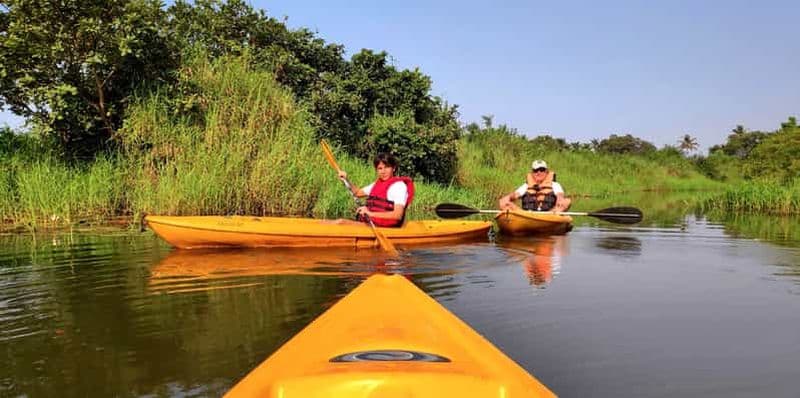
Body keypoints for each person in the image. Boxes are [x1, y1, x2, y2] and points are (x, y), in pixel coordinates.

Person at [335, 153, 414, 227]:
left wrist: (369, 213)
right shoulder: (376, 185)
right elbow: (357, 193)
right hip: (371, 224)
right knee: (339, 222)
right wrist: (346, 179)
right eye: (380, 168)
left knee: (341, 222)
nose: (383, 171)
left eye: (386, 167)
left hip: (386, 228)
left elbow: (397, 215)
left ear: (393, 168)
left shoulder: (398, 186)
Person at [498, 159, 571, 212]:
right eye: (536, 170)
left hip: (550, 215)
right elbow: (514, 195)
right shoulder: (526, 186)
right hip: (527, 216)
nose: (539, 172)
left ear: (546, 172)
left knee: (566, 201)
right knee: (503, 202)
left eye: (542, 170)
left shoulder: (555, 185)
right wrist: (507, 197)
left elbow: (560, 196)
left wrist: (560, 202)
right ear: (532, 173)